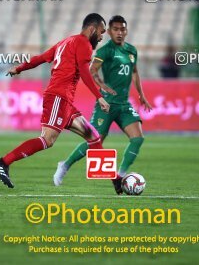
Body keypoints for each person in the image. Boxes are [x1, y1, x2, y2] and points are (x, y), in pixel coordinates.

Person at [0, 13, 110, 188]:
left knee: (94, 136)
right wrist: (99, 97)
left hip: (65, 102)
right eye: (100, 32)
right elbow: (85, 72)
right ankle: (3, 162)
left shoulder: (65, 42)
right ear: (92, 29)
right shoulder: (84, 44)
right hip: (58, 97)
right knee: (47, 140)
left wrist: (20, 68)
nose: (101, 36)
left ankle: (115, 180)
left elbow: (41, 58)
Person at [53, 15, 153, 194]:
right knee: (95, 140)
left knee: (138, 138)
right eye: (115, 29)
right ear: (109, 32)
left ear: (126, 31)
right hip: (106, 104)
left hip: (123, 104)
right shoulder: (105, 51)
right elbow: (91, 71)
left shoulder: (131, 51)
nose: (120, 33)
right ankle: (65, 165)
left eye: (122, 29)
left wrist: (141, 95)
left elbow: (135, 73)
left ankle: (121, 176)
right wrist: (102, 87)